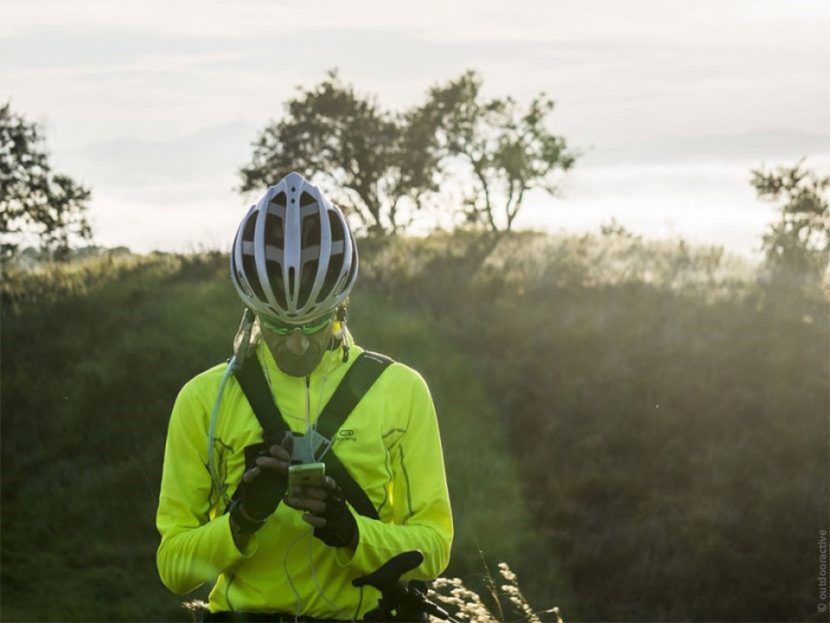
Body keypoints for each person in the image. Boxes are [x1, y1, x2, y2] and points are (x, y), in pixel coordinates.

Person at [156, 172, 453, 621]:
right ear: (251, 310)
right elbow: (173, 568)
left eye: (314, 322)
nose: (297, 343)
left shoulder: (401, 390)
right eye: (277, 324)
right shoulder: (202, 400)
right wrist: (240, 523)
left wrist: (354, 534)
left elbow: (434, 547)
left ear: (341, 305)